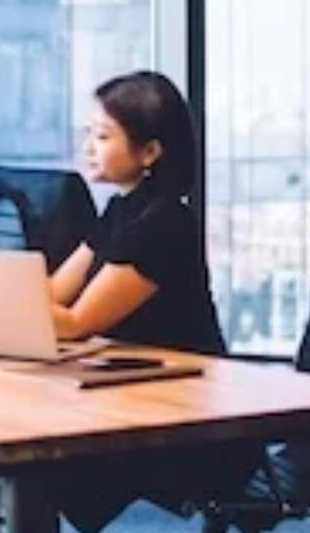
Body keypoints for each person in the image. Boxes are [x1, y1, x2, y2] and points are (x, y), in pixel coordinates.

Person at [40, 70, 251, 532]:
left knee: (37, 452)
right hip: (140, 390)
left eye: (102, 135)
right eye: (89, 134)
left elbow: (76, 321)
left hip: (189, 416)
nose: (88, 146)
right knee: (30, 437)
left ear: (150, 151)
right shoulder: (123, 207)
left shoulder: (163, 223)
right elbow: (54, 293)